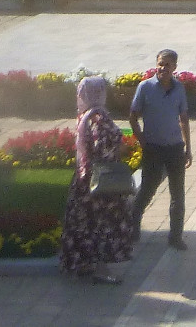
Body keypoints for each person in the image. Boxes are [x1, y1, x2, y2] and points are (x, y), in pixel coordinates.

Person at [59, 75, 139, 285]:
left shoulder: (84, 116)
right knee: (103, 224)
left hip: (83, 181)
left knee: (84, 224)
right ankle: (102, 270)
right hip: (101, 184)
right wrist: (120, 148)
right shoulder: (99, 118)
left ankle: (83, 263)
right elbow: (103, 148)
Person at [129, 48, 191, 249]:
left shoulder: (179, 88)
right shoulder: (145, 87)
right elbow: (133, 116)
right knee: (148, 188)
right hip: (153, 148)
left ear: (174, 67)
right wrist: (142, 139)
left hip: (174, 148)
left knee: (178, 194)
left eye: (167, 64)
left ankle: (175, 237)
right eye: (160, 64)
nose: (163, 68)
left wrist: (188, 147)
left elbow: (183, 119)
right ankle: (132, 226)